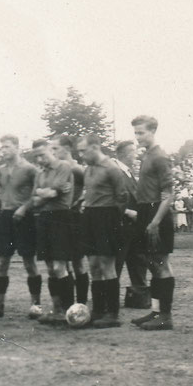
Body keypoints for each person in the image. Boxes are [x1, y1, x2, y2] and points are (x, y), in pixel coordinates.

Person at [0, 135, 42, 319]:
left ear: (16, 147)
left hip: (24, 217)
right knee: (1, 262)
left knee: (29, 262)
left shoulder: (30, 169)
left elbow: (37, 192)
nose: (3, 150)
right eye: (1, 148)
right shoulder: (1, 170)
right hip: (5, 217)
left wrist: (24, 207)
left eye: (6, 147)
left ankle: (36, 305)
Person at [15, 139, 75, 324]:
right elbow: (35, 198)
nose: (40, 159)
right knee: (50, 267)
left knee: (60, 267)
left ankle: (68, 310)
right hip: (43, 218)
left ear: (52, 150)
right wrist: (47, 193)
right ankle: (56, 310)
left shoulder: (64, 166)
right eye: (37, 156)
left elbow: (52, 194)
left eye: (43, 154)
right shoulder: (40, 172)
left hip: (61, 218)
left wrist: (47, 193)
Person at [77, 134, 129, 328]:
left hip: (107, 217)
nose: (81, 155)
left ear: (95, 147)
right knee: (93, 265)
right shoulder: (88, 168)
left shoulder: (111, 168)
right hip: (90, 217)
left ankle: (112, 314)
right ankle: (98, 310)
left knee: (107, 265)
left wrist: (113, 219)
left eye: (83, 150)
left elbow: (122, 197)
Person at [130, 115, 176, 331]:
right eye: (136, 133)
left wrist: (156, 221)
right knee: (152, 263)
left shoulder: (159, 156)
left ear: (153, 131)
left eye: (141, 132)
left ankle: (165, 316)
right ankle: (156, 311)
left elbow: (169, 194)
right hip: (145, 210)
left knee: (160, 264)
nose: (137, 137)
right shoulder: (147, 155)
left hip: (157, 212)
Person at [52, 135, 91, 305]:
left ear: (66, 148)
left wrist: (80, 201)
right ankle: (65, 304)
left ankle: (81, 304)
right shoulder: (56, 169)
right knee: (61, 264)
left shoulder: (76, 169)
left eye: (55, 148)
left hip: (75, 219)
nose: (52, 152)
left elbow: (91, 188)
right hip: (58, 218)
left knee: (77, 262)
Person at [112, 140, 148, 309]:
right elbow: (110, 197)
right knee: (116, 263)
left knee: (138, 260)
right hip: (120, 225)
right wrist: (127, 211)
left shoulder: (128, 172)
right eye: (133, 152)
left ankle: (139, 296)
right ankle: (109, 299)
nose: (136, 155)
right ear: (125, 154)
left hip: (133, 227)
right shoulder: (115, 171)